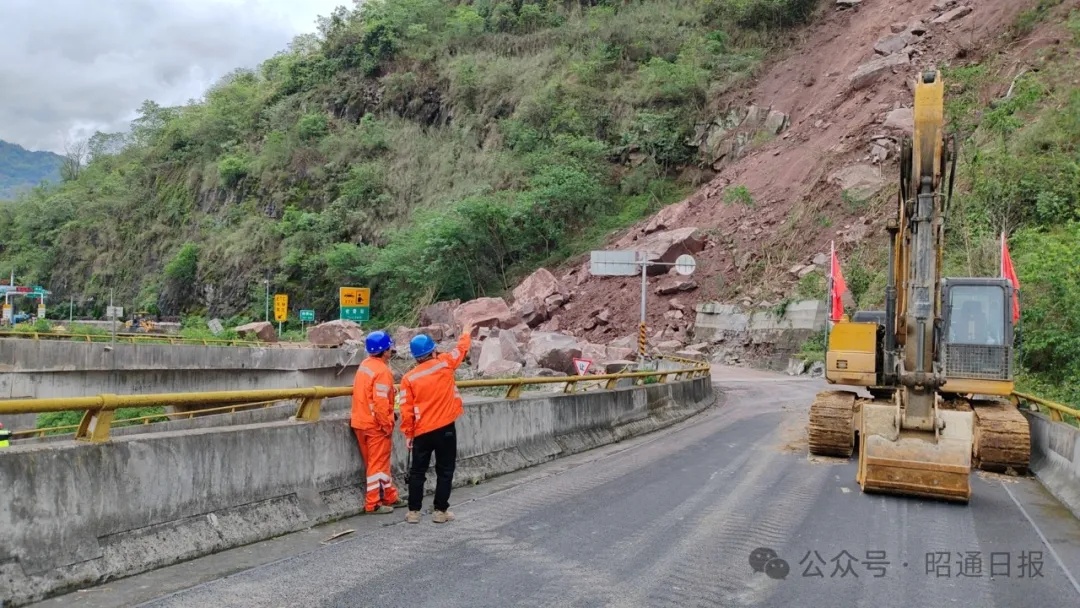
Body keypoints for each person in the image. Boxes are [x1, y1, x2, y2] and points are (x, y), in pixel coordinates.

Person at [400, 323, 473, 524]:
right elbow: (461, 350)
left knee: (417, 471)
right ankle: (440, 511)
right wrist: (466, 333)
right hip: (445, 429)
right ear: (433, 350)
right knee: (445, 470)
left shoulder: (409, 378)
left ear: (415, 357)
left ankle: (413, 512)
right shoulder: (445, 363)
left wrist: (408, 434)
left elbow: (406, 410)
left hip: (422, 432)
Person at [351, 330, 406, 514]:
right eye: (389, 347)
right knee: (377, 465)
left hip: (360, 422)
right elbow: (381, 403)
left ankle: (390, 496)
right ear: (384, 351)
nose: (391, 350)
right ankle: (373, 503)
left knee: (377, 464)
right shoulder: (382, 371)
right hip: (375, 425)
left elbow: (368, 395)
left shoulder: (365, 365)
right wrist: (387, 424)